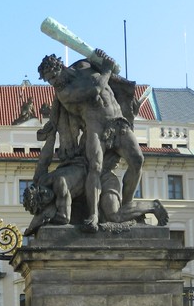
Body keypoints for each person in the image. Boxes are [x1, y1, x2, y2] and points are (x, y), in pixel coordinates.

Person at [37, 50, 143, 231]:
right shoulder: (64, 93)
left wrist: (102, 57)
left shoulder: (84, 65)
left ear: (60, 67)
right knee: (95, 166)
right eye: (49, 81)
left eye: (53, 77)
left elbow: (110, 67)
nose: (53, 82)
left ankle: (127, 205)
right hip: (95, 127)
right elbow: (95, 89)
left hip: (118, 121)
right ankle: (93, 215)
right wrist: (107, 70)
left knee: (138, 161)